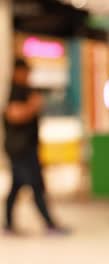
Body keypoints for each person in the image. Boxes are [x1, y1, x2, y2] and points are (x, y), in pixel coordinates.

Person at [3, 58, 67, 235]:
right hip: (20, 149)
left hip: (27, 147)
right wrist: (33, 106)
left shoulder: (25, 90)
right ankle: (49, 224)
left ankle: (8, 225)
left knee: (16, 187)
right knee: (36, 185)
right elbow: (13, 114)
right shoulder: (15, 91)